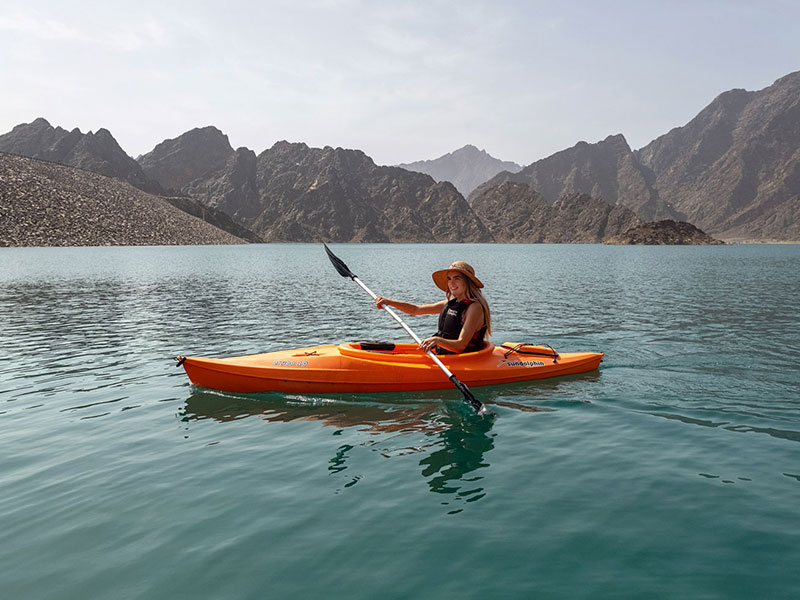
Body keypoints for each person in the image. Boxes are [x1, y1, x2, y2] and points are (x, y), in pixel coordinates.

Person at [374, 261, 491, 354]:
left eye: (457, 278)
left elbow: (460, 346)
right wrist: (389, 302)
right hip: (444, 355)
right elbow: (416, 310)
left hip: (464, 359)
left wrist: (437, 340)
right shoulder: (451, 303)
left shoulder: (474, 308)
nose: (451, 283)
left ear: (468, 282)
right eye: (449, 279)